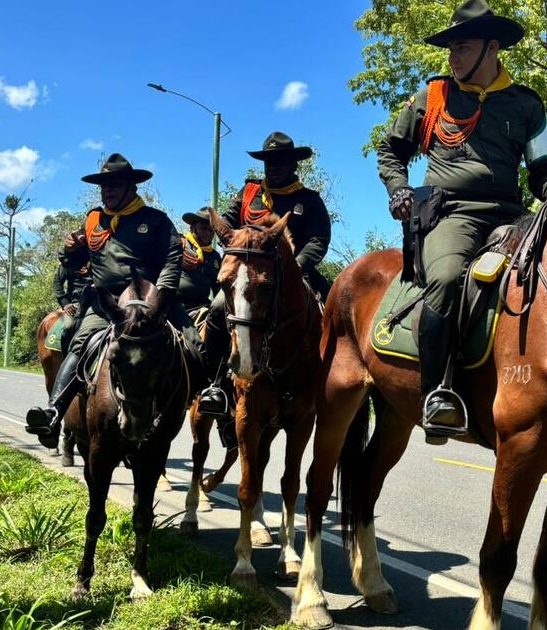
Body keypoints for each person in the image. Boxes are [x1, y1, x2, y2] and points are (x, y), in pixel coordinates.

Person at [376, 0, 547, 437]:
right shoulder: (433, 95)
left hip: (511, 216)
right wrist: (399, 190)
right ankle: (435, 395)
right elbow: (391, 150)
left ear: (492, 48)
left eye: (462, 47)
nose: (453, 56)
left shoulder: (526, 105)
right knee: (446, 278)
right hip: (450, 214)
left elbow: (545, 167)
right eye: (451, 48)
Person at [25, 153, 183, 447]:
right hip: (105, 305)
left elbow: (173, 259)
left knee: (193, 343)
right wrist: (71, 251)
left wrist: (161, 296)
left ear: (132, 187)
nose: (107, 190)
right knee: (79, 339)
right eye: (104, 185)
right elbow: (75, 263)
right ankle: (54, 412)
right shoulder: (93, 220)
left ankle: (209, 394)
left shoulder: (156, 220)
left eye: (114, 184)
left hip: (149, 303)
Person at [197, 131, 332, 417]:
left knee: (336, 311)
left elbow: (319, 239)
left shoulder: (308, 200)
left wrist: (296, 266)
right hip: (251, 277)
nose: (274, 166)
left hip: (296, 273)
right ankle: (215, 383)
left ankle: (332, 386)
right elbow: (229, 229)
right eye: (269, 161)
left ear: (294, 165)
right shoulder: (247, 194)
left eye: (281, 161)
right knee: (218, 308)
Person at [177, 208, 220, 316]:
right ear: (192, 227)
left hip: (204, 307)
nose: (207, 233)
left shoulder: (215, 256)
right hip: (178, 306)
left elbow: (218, 287)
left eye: (211, 230)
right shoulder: (178, 244)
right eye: (203, 228)